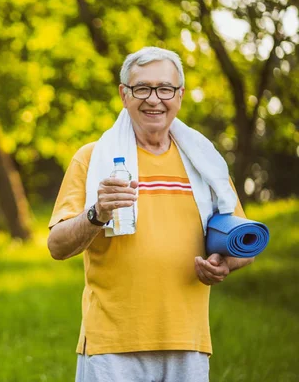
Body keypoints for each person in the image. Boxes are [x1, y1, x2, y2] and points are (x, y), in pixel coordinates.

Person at [47, 47, 254, 382]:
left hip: (188, 342)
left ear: (180, 95)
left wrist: (224, 264)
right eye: (142, 88)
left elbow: (244, 243)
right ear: (124, 94)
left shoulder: (206, 164)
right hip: (112, 345)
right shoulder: (92, 159)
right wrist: (97, 213)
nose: (154, 99)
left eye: (165, 89)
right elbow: (57, 246)